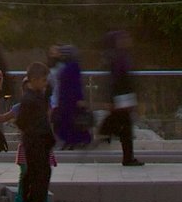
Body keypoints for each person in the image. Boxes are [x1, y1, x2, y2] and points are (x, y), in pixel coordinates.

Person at [13, 62, 55, 202]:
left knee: (40, 174)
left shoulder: (35, 97)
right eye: (43, 80)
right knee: (39, 175)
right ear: (35, 79)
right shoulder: (30, 99)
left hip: (37, 140)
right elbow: (22, 121)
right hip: (36, 141)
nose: (45, 84)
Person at [98, 29, 142, 166]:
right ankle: (127, 157)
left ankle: (108, 133)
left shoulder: (118, 56)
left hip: (122, 96)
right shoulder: (119, 57)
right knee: (126, 126)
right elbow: (119, 79)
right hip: (122, 97)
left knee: (124, 126)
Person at [50, 43, 90, 149]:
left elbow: (76, 84)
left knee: (71, 121)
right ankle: (71, 141)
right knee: (67, 121)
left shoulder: (72, 66)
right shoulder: (68, 66)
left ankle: (74, 141)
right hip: (66, 99)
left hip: (70, 99)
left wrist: (79, 99)